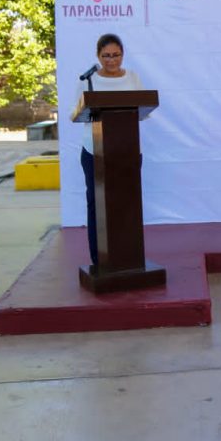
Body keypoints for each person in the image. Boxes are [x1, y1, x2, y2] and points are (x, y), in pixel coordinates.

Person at [70, 33, 142, 266]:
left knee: (126, 203)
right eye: (106, 56)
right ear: (97, 56)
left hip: (126, 151)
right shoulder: (87, 80)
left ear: (123, 54)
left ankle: (127, 256)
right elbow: (77, 112)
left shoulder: (132, 77)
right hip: (94, 151)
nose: (111, 60)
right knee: (97, 203)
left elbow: (142, 108)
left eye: (116, 55)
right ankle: (99, 258)